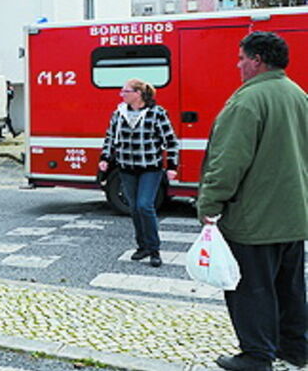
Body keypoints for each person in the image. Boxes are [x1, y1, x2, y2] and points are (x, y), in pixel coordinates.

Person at [197, 31, 307, 371]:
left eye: (242, 58)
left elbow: (229, 160)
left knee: (251, 289)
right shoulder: (298, 95)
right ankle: (296, 350)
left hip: (253, 218)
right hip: (293, 215)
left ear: (257, 60)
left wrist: (209, 204)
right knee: (290, 288)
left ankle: (257, 356)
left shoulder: (247, 101)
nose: (238, 64)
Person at [99, 78, 178, 268]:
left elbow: (171, 142)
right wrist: (105, 158)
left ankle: (154, 249)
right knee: (134, 207)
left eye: (125, 91)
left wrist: (172, 166)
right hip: (126, 168)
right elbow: (110, 138)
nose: (121, 94)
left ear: (138, 94)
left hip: (150, 168)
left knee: (145, 206)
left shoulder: (157, 114)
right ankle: (142, 246)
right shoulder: (119, 113)